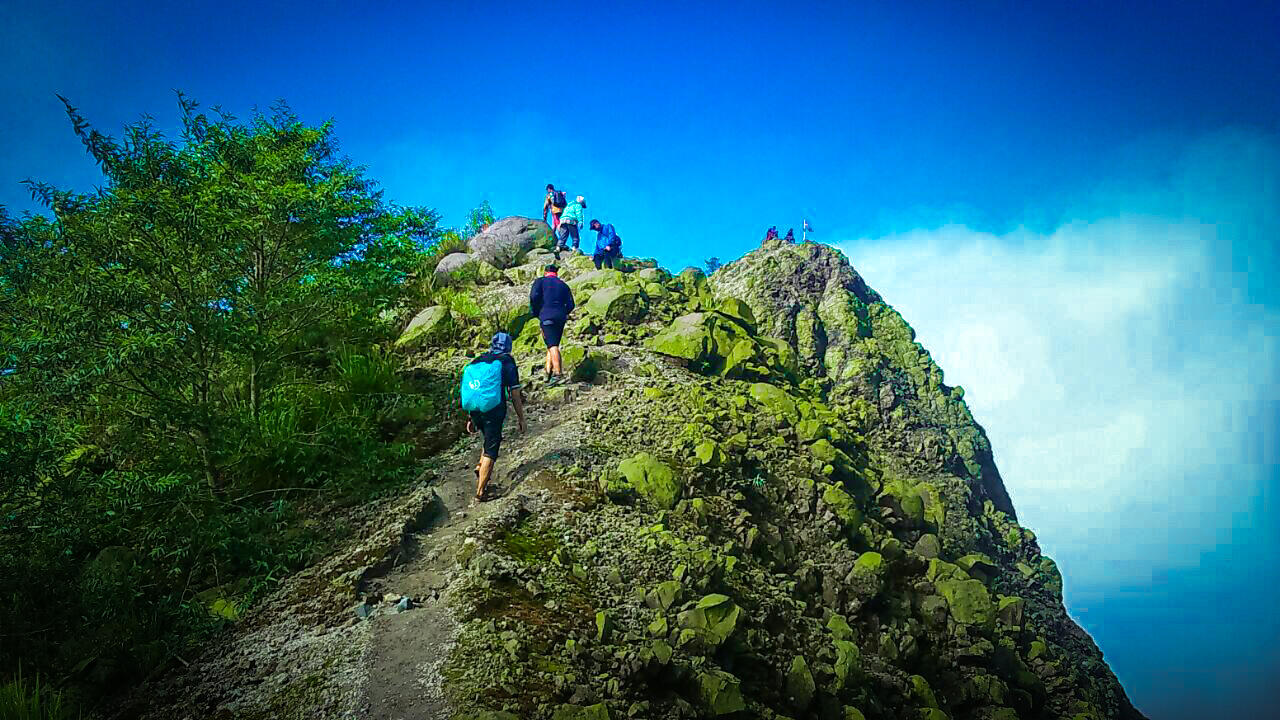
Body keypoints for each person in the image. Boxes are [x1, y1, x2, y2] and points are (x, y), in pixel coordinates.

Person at [460, 332, 526, 502]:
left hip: (475, 410)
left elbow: (473, 390)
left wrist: (470, 417)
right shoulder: (507, 362)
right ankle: (481, 492)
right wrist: (521, 418)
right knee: (492, 449)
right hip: (494, 411)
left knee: (488, 438)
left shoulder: (479, 360)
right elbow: (515, 393)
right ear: (509, 346)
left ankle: (480, 466)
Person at [529, 264, 575, 385]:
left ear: (545, 272)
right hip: (560, 317)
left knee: (553, 345)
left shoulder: (540, 282)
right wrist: (564, 312)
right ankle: (547, 371)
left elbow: (534, 297)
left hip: (546, 316)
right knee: (552, 343)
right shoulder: (563, 285)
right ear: (556, 273)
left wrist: (536, 312)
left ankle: (558, 374)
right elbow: (571, 304)